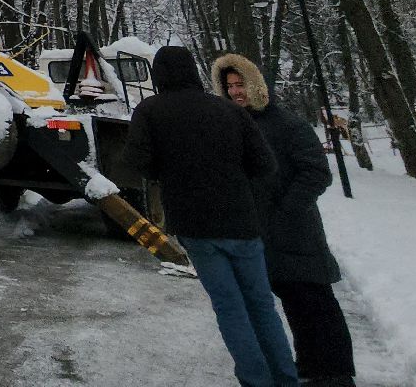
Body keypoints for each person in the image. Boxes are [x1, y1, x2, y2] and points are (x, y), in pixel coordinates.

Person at [124, 46, 298, 387]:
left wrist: (168, 170)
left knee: (229, 307)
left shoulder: (149, 111)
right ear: (194, 71)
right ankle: (285, 378)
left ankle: (256, 380)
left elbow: (136, 162)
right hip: (241, 221)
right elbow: (265, 164)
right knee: (262, 305)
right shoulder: (229, 110)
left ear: (158, 75)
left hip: (194, 224)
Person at [214, 54, 357, 387]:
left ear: (255, 85)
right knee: (294, 304)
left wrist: (287, 211)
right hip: (261, 234)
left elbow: (316, 173)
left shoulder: (288, 124)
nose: (236, 92)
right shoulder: (235, 126)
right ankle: (311, 368)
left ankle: (335, 375)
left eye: (240, 85)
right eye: (230, 86)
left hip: (296, 232)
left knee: (315, 302)